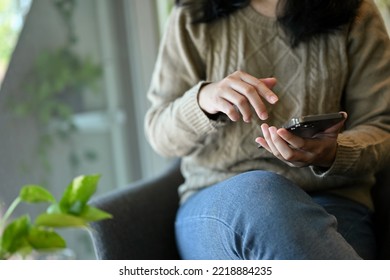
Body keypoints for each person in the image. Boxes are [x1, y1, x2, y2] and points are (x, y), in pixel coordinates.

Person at [144, 0, 390, 259]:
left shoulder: (356, 10)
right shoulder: (193, 12)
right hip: (218, 205)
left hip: (332, 201)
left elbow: (382, 128)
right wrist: (204, 100)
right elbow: (159, 134)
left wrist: (332, 152)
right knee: (259, 193)